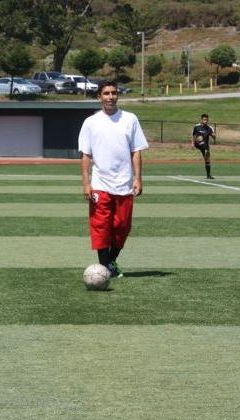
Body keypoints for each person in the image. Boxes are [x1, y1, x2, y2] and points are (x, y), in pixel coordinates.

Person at [78, 80, 149, 278]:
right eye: (106, 93)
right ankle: (104, 268)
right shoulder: (90, 122)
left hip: (124, 183)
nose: (110, 97)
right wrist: (86, 183)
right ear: (99, 97)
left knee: (121, 227)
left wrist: (138, 178)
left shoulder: (130, 119)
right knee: (101, 226)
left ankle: (111, 261)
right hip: (100, 183)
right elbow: (85, 155)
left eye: (114, 93)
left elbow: (136, 151)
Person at [192, 113, 216, 179]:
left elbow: (214, 137)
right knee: (200, 138)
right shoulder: (196, 126)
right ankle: (205, 149)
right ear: (201, 120)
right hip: (197, 143)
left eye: (207, 120)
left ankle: (208, 175)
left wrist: (214, 136)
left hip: (205, 145)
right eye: (204, 120)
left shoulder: (210, 128)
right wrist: (192, 143)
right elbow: (194, 135)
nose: (206, 121)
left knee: (207, 159)